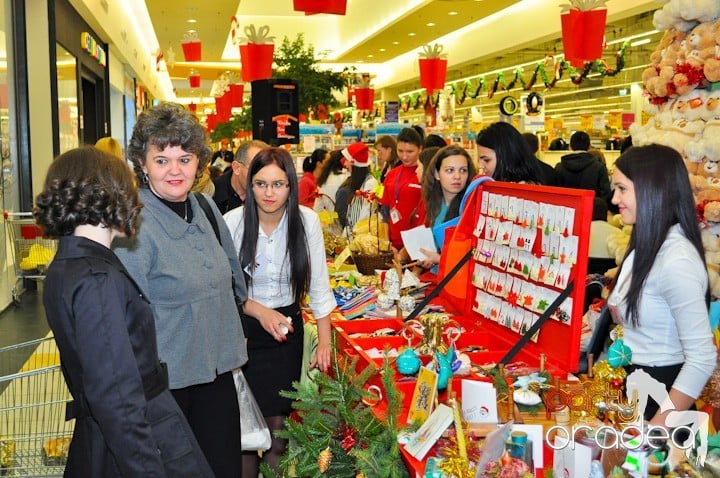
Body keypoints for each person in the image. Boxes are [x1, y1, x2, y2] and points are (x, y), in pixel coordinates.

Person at [35, 146, 214, 477]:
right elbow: (115, 394)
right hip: (138, 439)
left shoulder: (69, 267)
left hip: (109, 438)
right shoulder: (96, 278)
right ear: (108, 197)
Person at [113, 102, 248, 477]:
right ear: (142, 164)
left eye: (185, 158)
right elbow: (124, 317)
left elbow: (233, 280)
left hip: (218, 375)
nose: (175, 170)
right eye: (162, 160)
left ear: (199, 163)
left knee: (223, 468)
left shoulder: (204, 207)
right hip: (167, 390)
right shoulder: (132, 224)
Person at [223, 147, 335, 476]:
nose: (269, 193)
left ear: (291, 186)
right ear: (248, 183)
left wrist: (325, 342)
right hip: (242, 332)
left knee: (276, 433)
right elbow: (223, 288)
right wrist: (255, 310)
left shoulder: (306, 221)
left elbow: (319, 286)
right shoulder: (233, 222)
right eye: (261, 184)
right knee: (244, 432)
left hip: (286, 333)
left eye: (278, 184)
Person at [606, 143, 716, 425]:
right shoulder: (646, 244)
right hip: (634, 388)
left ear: (651, 189)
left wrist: (657, 427)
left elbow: (702, 359)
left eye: (622, 188)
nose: (614, 197)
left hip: (660, 399)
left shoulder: (677, 260)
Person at [417, 145, 478, 269]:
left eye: (463, 170)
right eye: (450, 170)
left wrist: (439, 259)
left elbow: (475, 259)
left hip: (457, 282)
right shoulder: (435, 204)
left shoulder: (472, 208)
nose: (457, 176)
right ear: (437, 174)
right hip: (438, 278)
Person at [380, 127, 426, 251]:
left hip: (418, 245)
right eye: (400, 151)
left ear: (420, 149)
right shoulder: (391, 174)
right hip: (393, 244)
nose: (404, 156)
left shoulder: (425, 175)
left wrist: (406, 250)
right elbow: (385, 211)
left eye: (410, 151)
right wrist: (386, 242)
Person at [554, 130, 612, 208]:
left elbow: (555, 196)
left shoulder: (559, 168)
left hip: (567, 214)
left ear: (570, 146)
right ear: (589, 146)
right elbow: (605, 196)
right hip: (591, 213)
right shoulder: (599, 168)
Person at [212, 139, 268, 214]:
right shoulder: (212, 194)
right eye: (255, 169)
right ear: (237, 168)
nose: (262, 177)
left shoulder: (269, 196)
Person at [475, 122, 543, 183]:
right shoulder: (490, 182)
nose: (480, 166)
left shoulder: (523, 189)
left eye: (487, 160)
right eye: (478, 159)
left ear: (507, 157)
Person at [335, 142, 377, 230]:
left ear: (354, 163)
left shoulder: (370, 183)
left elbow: (365, 215)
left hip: (361, 236)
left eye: (347, 160)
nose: (345, 164)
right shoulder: (358, 182)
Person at [587, 197, 620, 275]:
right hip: (610, 280)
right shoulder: (620, 234)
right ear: (607, 213)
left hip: (584, 279)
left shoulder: (580, 233)